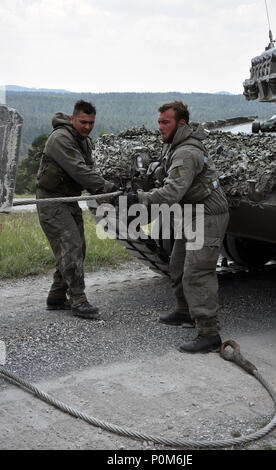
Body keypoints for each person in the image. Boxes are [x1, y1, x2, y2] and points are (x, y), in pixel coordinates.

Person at [126, 101, 229, 353]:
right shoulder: (174, 146)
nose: (160, 127)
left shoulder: (186, 153)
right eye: (159, 121)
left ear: (180, 124)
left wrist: (139, 199)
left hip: (207, 214)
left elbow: (172, 191)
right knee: (178, 265)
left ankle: (209, 333)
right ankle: (185, 312)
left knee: (198, 271)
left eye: (165, 122)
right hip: (192, 212)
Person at [36, 100, 117, 319]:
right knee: (71, 246)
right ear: (73, 119)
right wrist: (108, 188)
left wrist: (105, 190)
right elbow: (79, 170)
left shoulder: (84, 141)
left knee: (77, 247)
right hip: (51, 200)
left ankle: (56, 296)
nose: (87, 126)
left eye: (91, 123)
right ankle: (78, 299)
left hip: (68, 199)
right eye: (83, 122)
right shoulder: (61, 138)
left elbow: (89, 170)